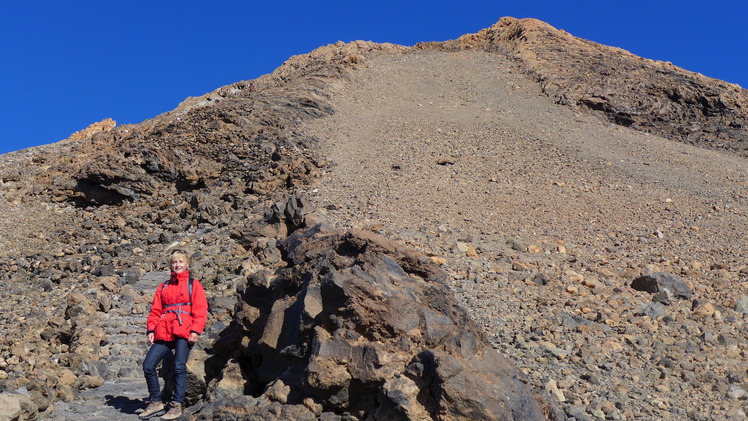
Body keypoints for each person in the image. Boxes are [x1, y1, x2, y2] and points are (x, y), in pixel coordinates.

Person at [139, 249, 209, 420]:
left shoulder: (194, 284)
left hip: (184, 330)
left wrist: (195, 330)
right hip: (164, 330)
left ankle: (176, 405)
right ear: (170, 264)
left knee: (179, 367)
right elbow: (155, 310)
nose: (178, 265)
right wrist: (150, 329)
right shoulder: (163, 286)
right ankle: (156, 401)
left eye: (181, 262)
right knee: (148, 365)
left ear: (187, 264)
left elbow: (201, 309)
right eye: (174, 262)